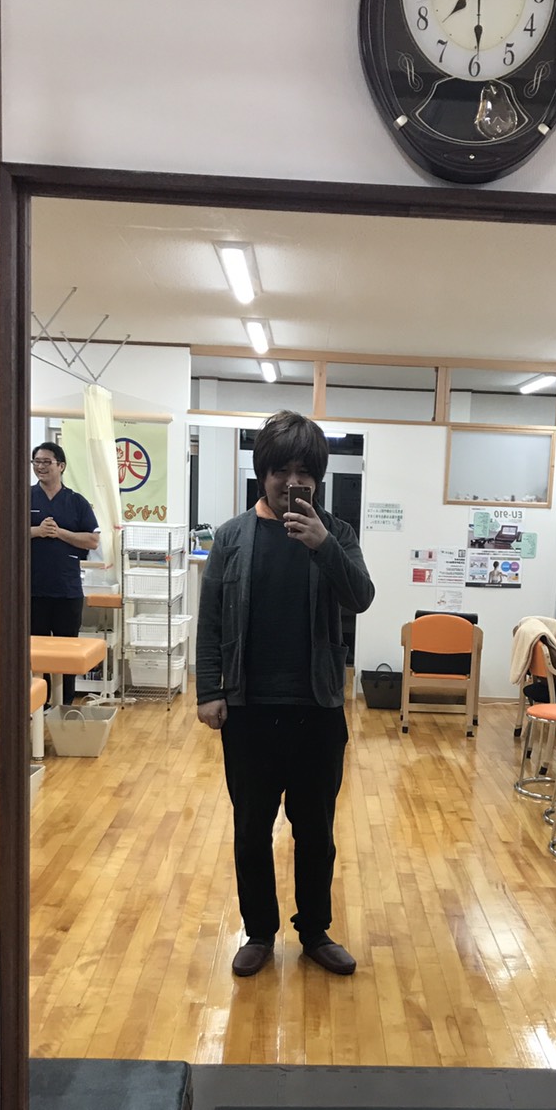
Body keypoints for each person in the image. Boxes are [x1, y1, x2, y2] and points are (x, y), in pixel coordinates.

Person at [195, 411, 375, 977]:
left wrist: (325, 546)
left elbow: (362, 597)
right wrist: (208, 689)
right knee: (251, 831)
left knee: (316, 833)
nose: (292, 482)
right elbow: (210, 620)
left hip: (317, 709)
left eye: (304, 473)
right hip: (248, 710)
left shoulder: (337, 533)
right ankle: (258, 932)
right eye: (281, 471)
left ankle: (315, 931)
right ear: (263, 473)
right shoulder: (231, 537)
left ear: (317, 478)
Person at [29, 441, 100, 705]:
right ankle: (39, 705)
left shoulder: (76, 502)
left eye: (46, 462)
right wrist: (37, 531)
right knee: (35, 652)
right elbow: (5, 533)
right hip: (33, 590)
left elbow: (92, 540)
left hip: (67, 590)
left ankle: (65, 706)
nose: (40, 467)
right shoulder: (24, 496)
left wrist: (59, 533)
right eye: (36, 462)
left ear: (61, 466)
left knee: (67, 651)